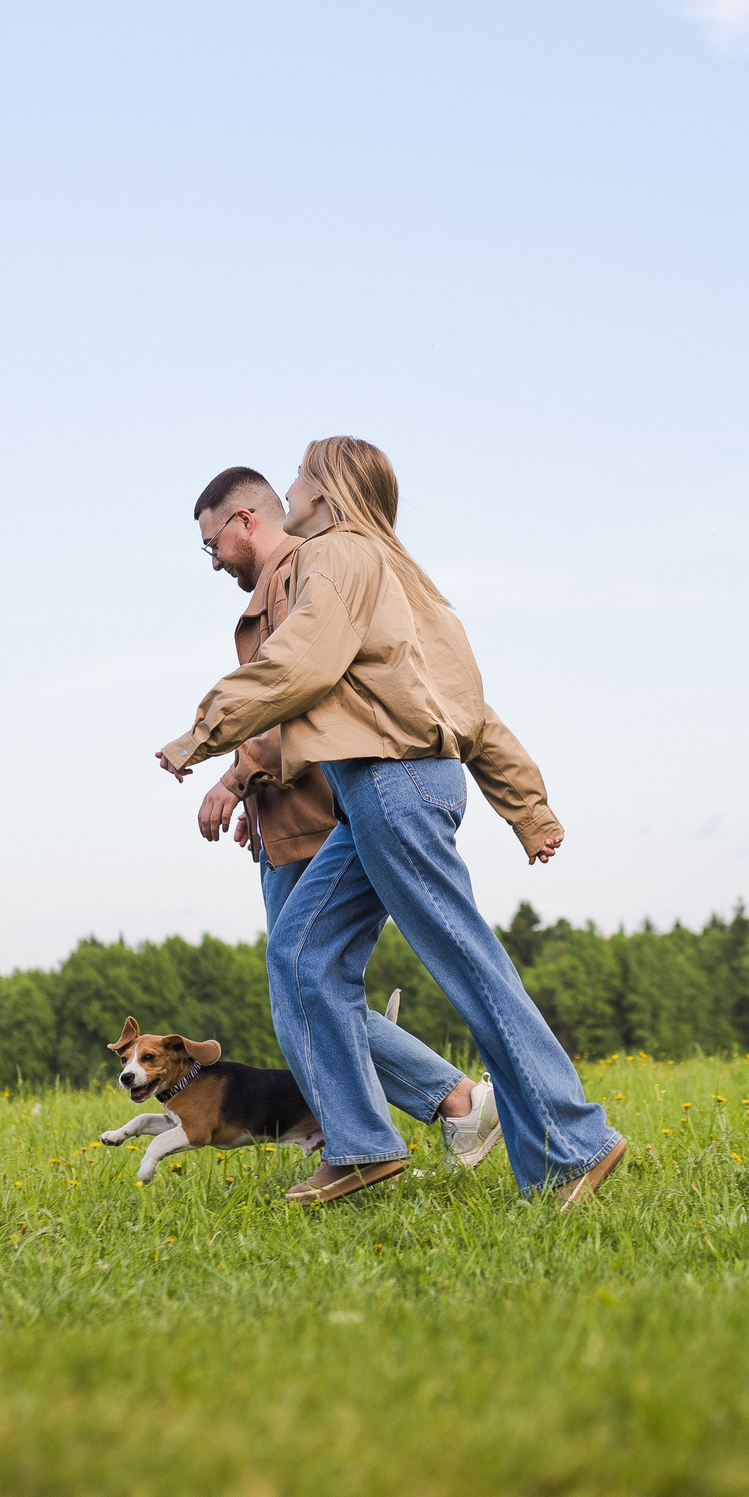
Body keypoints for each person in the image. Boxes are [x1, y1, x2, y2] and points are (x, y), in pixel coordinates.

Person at [156, 436, 624, 1211]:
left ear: (326, 491)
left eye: (302, 473)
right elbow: (470, 708)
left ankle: (575, 1143)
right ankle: (362, 1146)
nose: (292, 482)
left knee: (470, 967)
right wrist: (526, 805)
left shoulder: (335, 556)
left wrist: (204, 732)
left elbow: (301, 663)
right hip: (383, 789)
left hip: (392, 783)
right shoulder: (395, 573)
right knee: (301, 955)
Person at [186, 464, 502, 1172]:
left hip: (322, 813)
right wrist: (258, 798)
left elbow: (306, 690)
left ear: (245, 521)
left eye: (213, 543)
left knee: (311, 987)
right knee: (307, 988)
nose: (211, 561)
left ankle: (444, 1107)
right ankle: (369, 1129)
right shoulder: (277, 585)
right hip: (285, 814)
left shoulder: (306, 574)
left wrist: (235, 778)